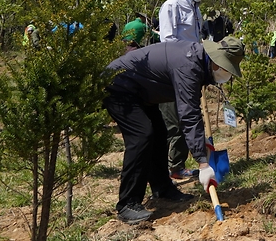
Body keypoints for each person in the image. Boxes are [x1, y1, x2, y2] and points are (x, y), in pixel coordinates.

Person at [103, 35, 245, 224]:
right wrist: (203, 163)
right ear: (216, 62)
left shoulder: (197, 60)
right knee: (142, 136)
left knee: (160, 134)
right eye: (226, 68)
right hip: (119, 86)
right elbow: (188, 115)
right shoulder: (189, 66)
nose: (226, 74)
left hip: (142, 91)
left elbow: (190, 110)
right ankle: (127, 203)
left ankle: (162, 188)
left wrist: (199, 141)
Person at [158, 0, 217, 180]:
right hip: (173, 70)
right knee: (176, 120)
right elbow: (168, 41)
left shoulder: (196, 9)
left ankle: (180, 164)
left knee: (190, 116)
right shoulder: (171, 6)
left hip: (191, 70)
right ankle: (174, 167)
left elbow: (197, 39)